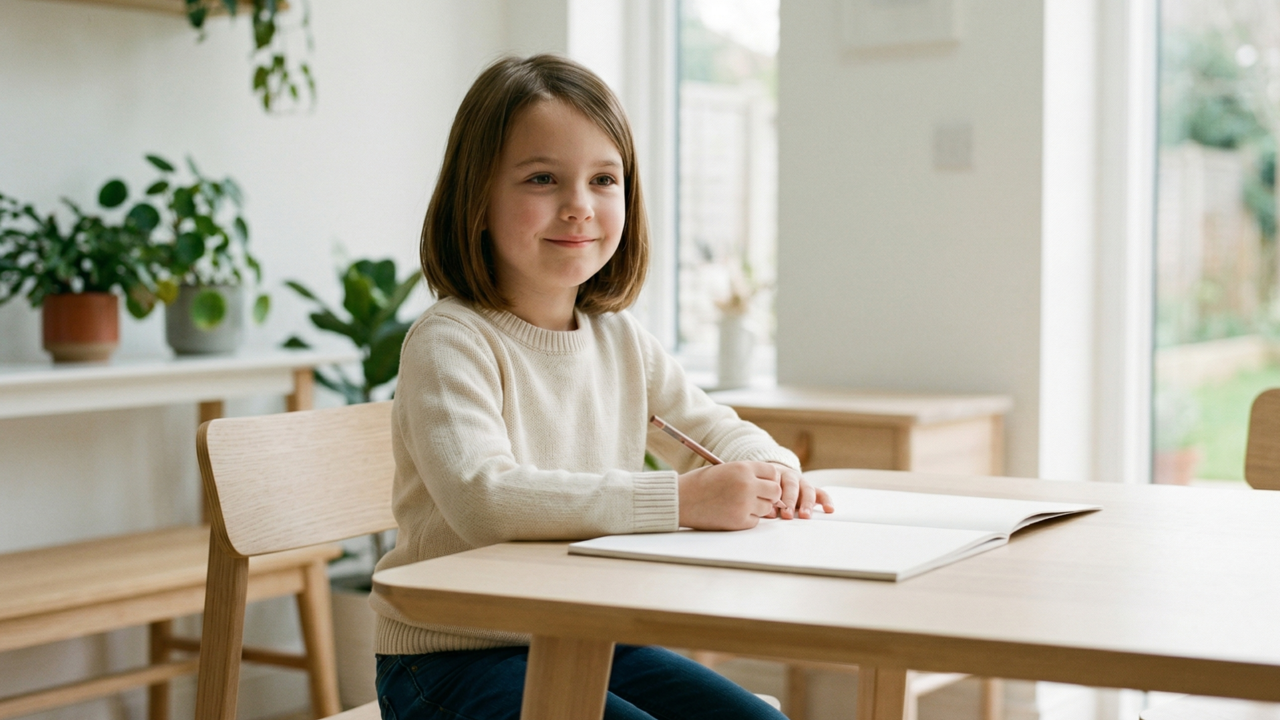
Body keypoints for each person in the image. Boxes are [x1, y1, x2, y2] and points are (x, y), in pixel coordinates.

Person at [371, 53, 834, 720]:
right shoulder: (451, 340)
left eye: (603, 179)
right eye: (541, 179)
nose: (579, 207)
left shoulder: (618, 339)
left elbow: (709, 426)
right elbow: (486, 499)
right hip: (448, 661)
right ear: (476, 200)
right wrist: (679, 500)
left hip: (583, 638)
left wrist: (770, 467)